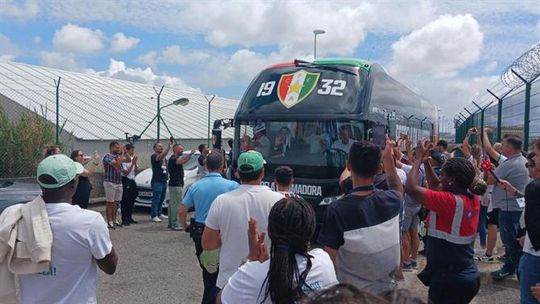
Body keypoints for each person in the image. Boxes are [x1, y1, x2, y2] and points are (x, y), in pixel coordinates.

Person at [18, 154, 118, 303]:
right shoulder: (90, 221)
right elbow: (110, 267)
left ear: (40, 183)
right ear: (74, 184)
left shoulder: (18, 216)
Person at [318, 137, 404, 293]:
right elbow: (396, 186)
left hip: (355, 296)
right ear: (379, 169)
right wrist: (388, 160)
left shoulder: (337, 210)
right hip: (388, 294)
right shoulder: (393, 201)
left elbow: (328, 261)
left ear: (349, 166)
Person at [406, 140, 486, 304]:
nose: (440, 177)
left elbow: (412, 188)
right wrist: (426, 163)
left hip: (450, 280)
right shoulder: (470, 196)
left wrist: (417, 159)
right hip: (463, 274)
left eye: (442, 174)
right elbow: (436, 186)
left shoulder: (451, 202)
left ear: (452, 180)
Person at [219, 197, 338, 304]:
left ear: (269, 231)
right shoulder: (323, 263)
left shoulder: (251, 275)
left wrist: (251, 259)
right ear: (310, 231)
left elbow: (221, 299)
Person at [202, 150, 284, 293]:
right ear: (262, 173)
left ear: (238, 173)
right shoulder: (279, 201)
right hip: (268, 280)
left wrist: (226, 236)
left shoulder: (222, 201)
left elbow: (208, 244)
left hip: (230, 281)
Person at [180, 151, 239, 304]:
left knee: (208, 271)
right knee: (225, 269)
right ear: (223, 166)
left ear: (205, 166)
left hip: (201, 232)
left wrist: (185, 226)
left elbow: (183, 209)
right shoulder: (232, 185)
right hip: (224, 232)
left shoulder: (195, 186)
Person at [497, 144, 540, 304]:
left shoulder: (534, 188)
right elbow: (529, 206)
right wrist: (514, 191)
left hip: (535, 257)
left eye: (535, 156)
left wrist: (527, 237)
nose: (530, 163)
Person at [489, 135, 530, 279]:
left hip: (509, 208)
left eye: (504, 145)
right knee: (517, 239)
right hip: (519, 207)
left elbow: (490, 180)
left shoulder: (509, 163)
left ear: (511, 148)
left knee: (509, 240)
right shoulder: (524, 161)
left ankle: (509, 268)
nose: (502, 148)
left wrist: (490, 171)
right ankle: (516, 266)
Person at [168, 144, 195, 230]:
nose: (182, 151)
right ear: (175, 150)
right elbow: (182, 161)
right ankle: (174, 223)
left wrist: (189, 155)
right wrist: (190, 155)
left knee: (172, 204)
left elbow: (182, 160)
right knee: (176, 204)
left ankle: (171, 222)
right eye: (180, 149)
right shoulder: (173, 159)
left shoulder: (175, 158)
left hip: (176, 183)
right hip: (175, 184)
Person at [103, 142, 126, 229]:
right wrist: (122, 154)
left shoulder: (118, 157)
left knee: (117, 202)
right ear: (111, 148)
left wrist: (126, 152)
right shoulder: (107, 157)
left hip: (119, 182)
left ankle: (115, 219)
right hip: (110, 182)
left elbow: (128, 160)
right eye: (117, 148)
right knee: (110, 203)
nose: (118, 150)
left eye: (119, 148)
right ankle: (109, 221)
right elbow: (116, 164)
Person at [150, 142, 171, 222]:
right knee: (156, 199)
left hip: (164, 180)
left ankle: (159, 213)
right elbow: (160, 156)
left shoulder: (164, 159)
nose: (161, 148)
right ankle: (154, 215)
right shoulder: (154, 156)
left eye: (162, 146)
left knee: (162, 198)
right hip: (157, 181)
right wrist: (168, 148)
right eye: (159, 146)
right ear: (155, 148)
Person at [120, 144, 138, 226]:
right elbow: (126, 173)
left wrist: (135, 163)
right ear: (126, 150)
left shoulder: (132, 159)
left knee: (132, 199)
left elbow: (136, 171)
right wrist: (132, 164)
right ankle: (124, 218)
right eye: (131, 150)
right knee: (125, 200)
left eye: (133, 150)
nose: (132, 152)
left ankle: (130, 217)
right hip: (126, 180)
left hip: (132, 180)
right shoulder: (123, 160)